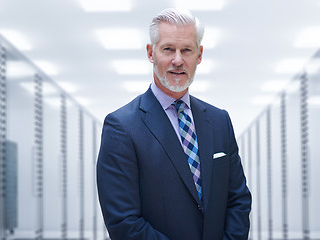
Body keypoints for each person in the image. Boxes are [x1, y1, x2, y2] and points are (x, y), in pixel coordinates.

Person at [96, 8, 252, 240]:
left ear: (199, 55)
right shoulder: (121, 127)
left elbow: (237, 200)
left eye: (186, 50)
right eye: (168, 49)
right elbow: (123, 222)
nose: (177, 60)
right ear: (151, 53)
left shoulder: (219, 121)